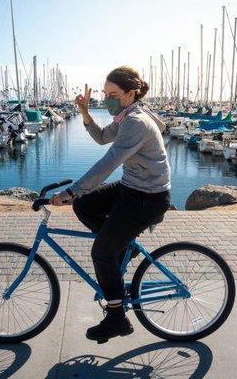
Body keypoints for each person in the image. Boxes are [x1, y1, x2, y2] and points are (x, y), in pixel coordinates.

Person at [49, 66, 171, 342]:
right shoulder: (126, 115)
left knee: (101, 253)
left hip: (147, 197)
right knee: (84, 206)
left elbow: (108, 163)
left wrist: (72, 191)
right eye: (105, 94)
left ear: (131, 94)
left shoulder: (136, 122)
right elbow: (102, 137)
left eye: (113, 94)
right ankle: (123, 246)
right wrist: (84, 113)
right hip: (133, 188)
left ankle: (117, 319)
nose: (107, 99)